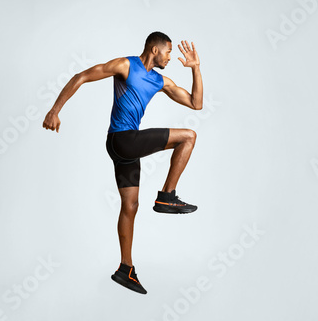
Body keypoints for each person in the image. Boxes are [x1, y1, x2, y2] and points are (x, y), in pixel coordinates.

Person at [42, 31, 203, 294]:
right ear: (154, 50)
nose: (171, 57)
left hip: (123, 149)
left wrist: (196, 69)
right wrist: (54, 110)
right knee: (189, 137)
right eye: (169, 52)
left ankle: (125, 269)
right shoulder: (126, 65)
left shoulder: (160, 81)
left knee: (130, 205)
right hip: (122, 139)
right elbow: (82, 76)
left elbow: (196, 104)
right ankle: (167, 196)